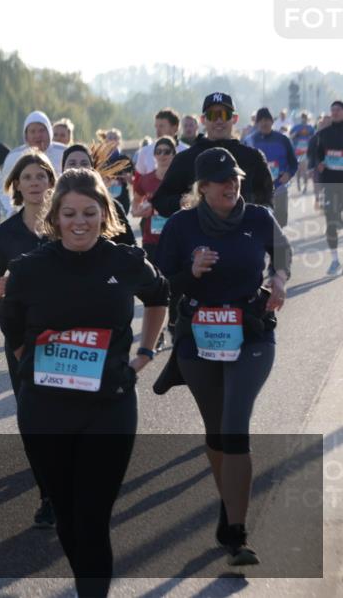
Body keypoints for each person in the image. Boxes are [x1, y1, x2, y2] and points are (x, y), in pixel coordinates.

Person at [1, 168, 168, 598]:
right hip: (46, 411)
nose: (80, 222)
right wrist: (40, 371)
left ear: (104, 213)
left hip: (108, 406)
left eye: (90, 213)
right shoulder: (29, 269)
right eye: (70, 213)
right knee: (68, 516)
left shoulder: (125, 261)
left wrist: (144, 353)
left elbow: (158, 296)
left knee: (92, 519)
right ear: (55, 217)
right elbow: (15, 331)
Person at [155, 147, 291, 566]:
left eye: (234, 178)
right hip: (198, 337)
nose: (231, 185)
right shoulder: (181, 226)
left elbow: (282, 253)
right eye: (220, 180)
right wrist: (190, 272)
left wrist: (279, 279)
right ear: (202, 187)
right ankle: (228, 503)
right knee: (216, 432)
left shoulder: (257, 218)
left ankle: (237, 533)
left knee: (235, 426)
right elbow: (161, 284)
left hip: (250, 333)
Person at [0, 150, 58, 527]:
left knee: (66, 417)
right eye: (26, 177)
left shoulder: (66, 224)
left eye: (41, 176)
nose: (34, 184)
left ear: (51, 183)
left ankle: (66, 486)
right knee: (32, 418)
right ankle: (47, 493)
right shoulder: (6, 234)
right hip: (22, 339)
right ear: (15, 185)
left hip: (68, 336)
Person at [151, 93, 274, 218]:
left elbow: (267, 200)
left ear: (235, 119)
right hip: (199, 234)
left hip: (242, 233)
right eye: (212, 115)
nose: (219, 120)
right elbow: (160, 201)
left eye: (225, 114)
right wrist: (185, 201)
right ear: (203, 120)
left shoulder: (253, 158)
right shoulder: (185, 158)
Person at [131, 137, 180, 348]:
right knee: (154, 287)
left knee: (176, 286)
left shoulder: (180, 178)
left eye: (167, 151)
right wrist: (144, 210)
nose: (162, 155)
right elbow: (134, 208)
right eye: (158, 151)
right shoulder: (146, 179)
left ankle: (175, 327)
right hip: (151, 239)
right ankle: (157, 334)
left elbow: (189, 204)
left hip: (176, 239)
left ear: (173, 153)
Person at [61, 144, 137, 246]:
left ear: (93, 170)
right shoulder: (54, 205)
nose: (78, 168)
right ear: (63, 170)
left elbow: (130, 247)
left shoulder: (111, 206)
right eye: (72, 163)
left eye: (84, 163)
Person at [0, 111, 67, 217]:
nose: (37, 135)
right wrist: (11, 212)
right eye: (32, 131)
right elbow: (3, 189)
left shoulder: (64, 152)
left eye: (41, 130)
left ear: (49, 132)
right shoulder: (14, 156)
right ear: (26, 135)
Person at [248, 108, 298, 227]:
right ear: (257, 123)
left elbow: (293, 163)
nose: (264, 123)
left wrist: (288, 174)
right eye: (261, 120)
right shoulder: (249, 141)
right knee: (261, 222)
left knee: (281, 222)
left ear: (272, 121)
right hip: (258, 189)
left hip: (279, 186)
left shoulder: (283, 139)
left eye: (267, 120)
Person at [309, 100, 343, 275]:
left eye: (338, 110)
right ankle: (335, 260)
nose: (335, 112)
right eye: (333, 110)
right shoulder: (324, 133)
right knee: (330, 221)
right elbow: (316, 153)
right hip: (330, 182)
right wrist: (319, 162)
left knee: (337, 220)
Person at [134, 109, 189, 177]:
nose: (158, 131)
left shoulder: (187, 152)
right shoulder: (145, 152)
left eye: (161, 126)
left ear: (175, 128)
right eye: (156, 127)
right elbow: (138, 182)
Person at [290, 112, 315, 194]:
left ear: (308, 118)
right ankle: (298, 185)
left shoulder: (310, 128)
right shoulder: (296, 127)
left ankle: (305, 186)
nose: (304, 119)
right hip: (297, 151)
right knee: (298, 170)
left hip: (306, 151)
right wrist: (296, 134)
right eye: (303, 117)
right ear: (301, 118)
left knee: (304, 169)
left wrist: (309, 136)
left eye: (305, 117)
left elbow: (314, 138)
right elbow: (291, 136)